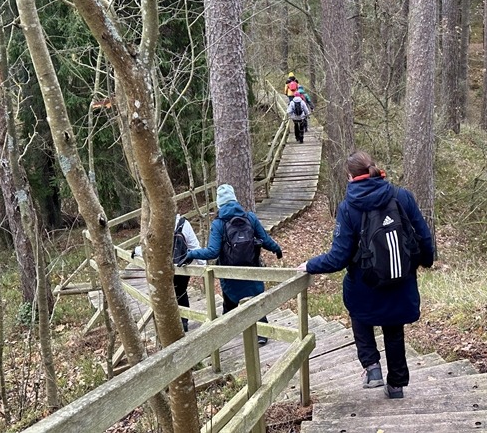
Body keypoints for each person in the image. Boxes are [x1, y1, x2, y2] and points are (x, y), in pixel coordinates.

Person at [297, 151, 434, 399]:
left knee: (358, 312)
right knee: (394, 330)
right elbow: (424, 235)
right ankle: (396, 385)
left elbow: (338, 257)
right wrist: (425, 261)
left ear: (350, 177)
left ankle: (372, 367)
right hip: (400, 279)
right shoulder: (401, 196)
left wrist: (310, 265)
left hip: (364, 284)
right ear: (374, 168)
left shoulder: (348, 207)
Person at [183, 184, 283, 345]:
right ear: (235, 199)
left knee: (229, 302)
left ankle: (224, 331)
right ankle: (262, 334)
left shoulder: (219, 224)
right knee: (256, 300)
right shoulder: (250, 217)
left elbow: (212, 252)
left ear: (219, 203)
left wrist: (191, 254)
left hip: (229, 273)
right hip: (252, 270)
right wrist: (277, 250)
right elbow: (265, 240)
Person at [172, 213, 204, 332]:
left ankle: (172, 323)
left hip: (165, 267)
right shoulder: (184, 224)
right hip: (183, 265)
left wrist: (138, 251)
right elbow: (194, 245)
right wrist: (203, 264)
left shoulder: (156, 224)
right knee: (181, 292)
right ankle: (184, 321)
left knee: (168, 294)